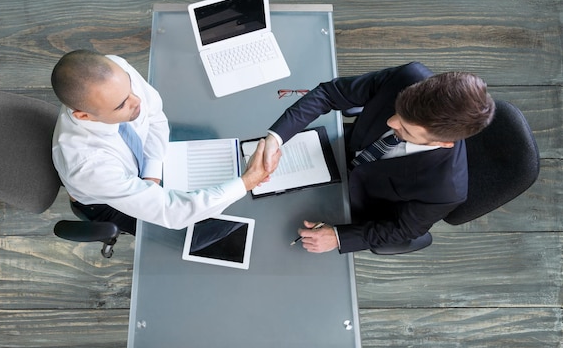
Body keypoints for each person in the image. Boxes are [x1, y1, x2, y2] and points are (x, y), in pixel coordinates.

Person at [262, 62, 495, 254]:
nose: (391, 122)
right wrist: (276, 138)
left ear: (441, 143)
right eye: (397, 111)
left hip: (353, 205)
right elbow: (329, 93)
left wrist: (338, 237)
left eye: (405, 128)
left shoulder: (446, 191)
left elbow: (402, 230)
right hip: (336, 151)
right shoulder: (408, 76)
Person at [51, 50, 276, 235]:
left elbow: (154, 114)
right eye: (121, 105)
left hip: (143, 167)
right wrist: (246, 182)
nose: (136, 101)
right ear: (84, 116)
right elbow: (173, 213)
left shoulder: (115, 70)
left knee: (212, 134)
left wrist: (151, 174)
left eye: (129, 88)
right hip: (108, 201)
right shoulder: (87, 165)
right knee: (196, 234)